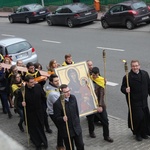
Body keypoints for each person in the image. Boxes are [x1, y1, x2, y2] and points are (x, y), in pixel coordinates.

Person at [121, 60, 150, 141]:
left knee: (145, 117)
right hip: (134, 101)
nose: (135, 67)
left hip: (144, 100)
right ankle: (137, 134)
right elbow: (122, 88)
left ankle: (144, 133)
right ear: (131, 67)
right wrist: (126, 90)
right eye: (133, 66)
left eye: (136, 65)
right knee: (139, 118)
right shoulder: (127, 77)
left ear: (139, 66)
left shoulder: (145, 74)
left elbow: (149, 86)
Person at [53, 84, 84, 150]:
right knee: (69, 147)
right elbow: (56, 118)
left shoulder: (73, 98)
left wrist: (77, 122)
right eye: (66, 92)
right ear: (61, 93)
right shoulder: (57, 104)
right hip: (67, 130)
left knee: (80, 145)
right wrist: (62, 118)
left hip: (76, 128)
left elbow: (76, 111)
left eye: (69, 90)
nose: (68, 93)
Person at [87, 67, 113, 142]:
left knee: (105, 120)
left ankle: (106, 136)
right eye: (93, 75)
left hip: (99, 103)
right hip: (90, 103)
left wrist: (100, 105)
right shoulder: (89, 79)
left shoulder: (101, 80)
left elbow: (101, 95)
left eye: (95, 75)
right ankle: (91, 132)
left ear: (98, 74)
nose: (94, 76)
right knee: (90, 119)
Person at [22, 75, 48, 150]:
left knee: (41, 127)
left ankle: (44, 142)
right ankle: (37, 144)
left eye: (33, 81)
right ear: (26, 82)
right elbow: (19, 101)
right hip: (30, 113)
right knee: (33, 129)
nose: (33, 83)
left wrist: (44, 108)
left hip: (39, 111)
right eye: (31, 82)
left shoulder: (38, 87)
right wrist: (22, 104)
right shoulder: (23, 90)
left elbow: (43, 98)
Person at [25, 62, 52, 134]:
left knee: (44, 115)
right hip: (33, 97)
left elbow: (41, 83)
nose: (33, 69)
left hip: (40, 92)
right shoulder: (27, 75)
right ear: (28, 69)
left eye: (33, 68)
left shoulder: (37, 72)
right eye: (31, 68)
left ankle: (47, 127)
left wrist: (43, 81)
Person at [46, 74, 65, 150]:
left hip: (58, 111)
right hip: (54, 113)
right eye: (55, 81)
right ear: (51, 82)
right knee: (61, 128)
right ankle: (60, 145)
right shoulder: (52, 93)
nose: (58, 82)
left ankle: (60, 144)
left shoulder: (55, 87)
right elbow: (60, 103)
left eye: (58, 80)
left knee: (61, 129)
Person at [87, 60, 102, 126]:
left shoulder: (94, 70)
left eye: (91, 64)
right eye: (89, 65)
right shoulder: (85, 72)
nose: (91, 66)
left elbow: (99, 78)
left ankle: (97, 119)